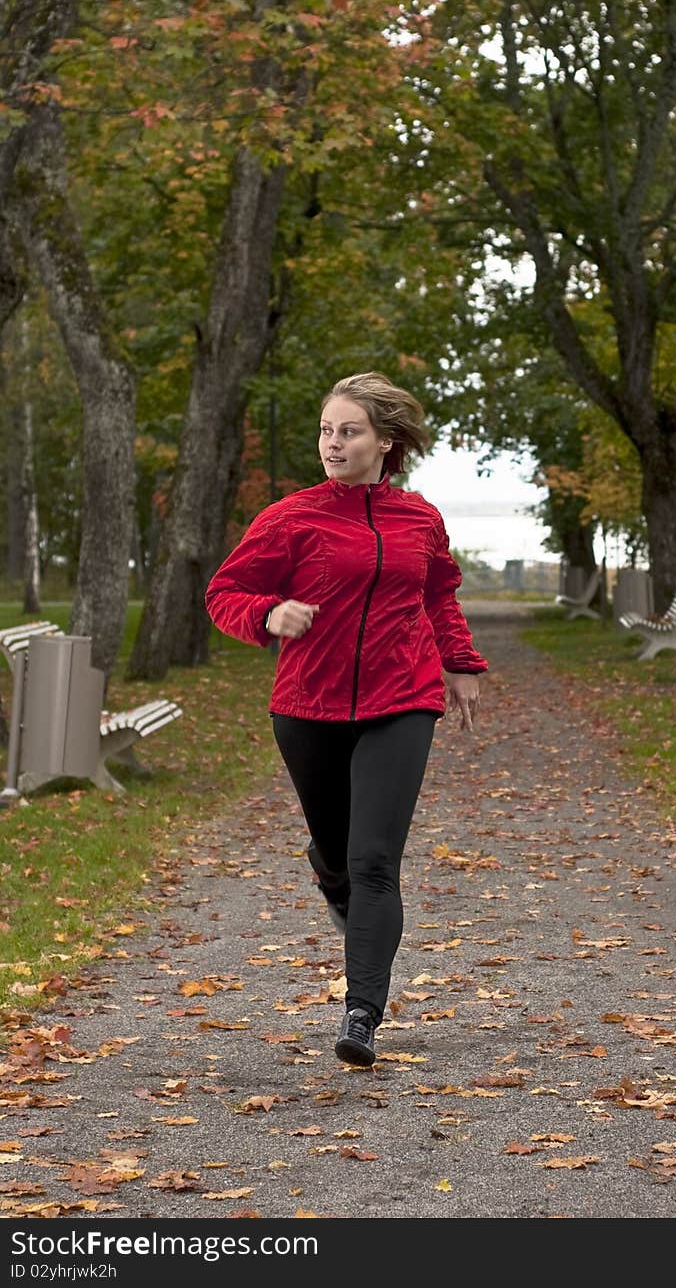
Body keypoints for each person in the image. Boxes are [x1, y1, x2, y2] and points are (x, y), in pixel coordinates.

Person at [205, 372, 487, 1067]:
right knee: (337, 855)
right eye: (327, 430)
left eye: (349, 430)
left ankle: (362, 1014)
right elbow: (224, 592)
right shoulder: (290, 517)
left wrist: (459, 664)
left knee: (374, 862)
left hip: (402, 699)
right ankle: (328, 873)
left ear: (385, 442)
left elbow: (439, 593)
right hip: (308, 706)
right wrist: (269, 615)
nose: (333, 443)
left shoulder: (419, 519)